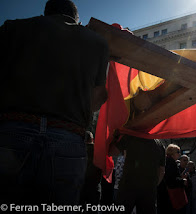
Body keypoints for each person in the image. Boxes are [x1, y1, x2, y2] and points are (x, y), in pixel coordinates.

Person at [0, 0, 109, 206]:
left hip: (12, 132)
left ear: (46, 13)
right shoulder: (97, 42)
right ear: (77, 19)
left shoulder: (11, 28)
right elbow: (99, 96)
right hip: (67, 136)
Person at [109, 134, 165, 214]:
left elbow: (112, 152)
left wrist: (115, 138)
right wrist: (153, 184)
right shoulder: (159, 144)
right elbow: (162, 170)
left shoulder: (130, 136)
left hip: (128, 187)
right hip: (149, 190)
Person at [158, 144, 188, 214]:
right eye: (177, 152)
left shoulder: (168, 162)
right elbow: (171, 180)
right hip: (170, 196)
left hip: (165, 195)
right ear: (172, 153)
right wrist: (182, 181)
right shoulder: (170, 163)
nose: (179, 154)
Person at [80, 131, 103, 213]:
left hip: (80, 186)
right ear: (92, 139)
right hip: (94, 186)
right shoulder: (99, 150)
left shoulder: (79, 149)